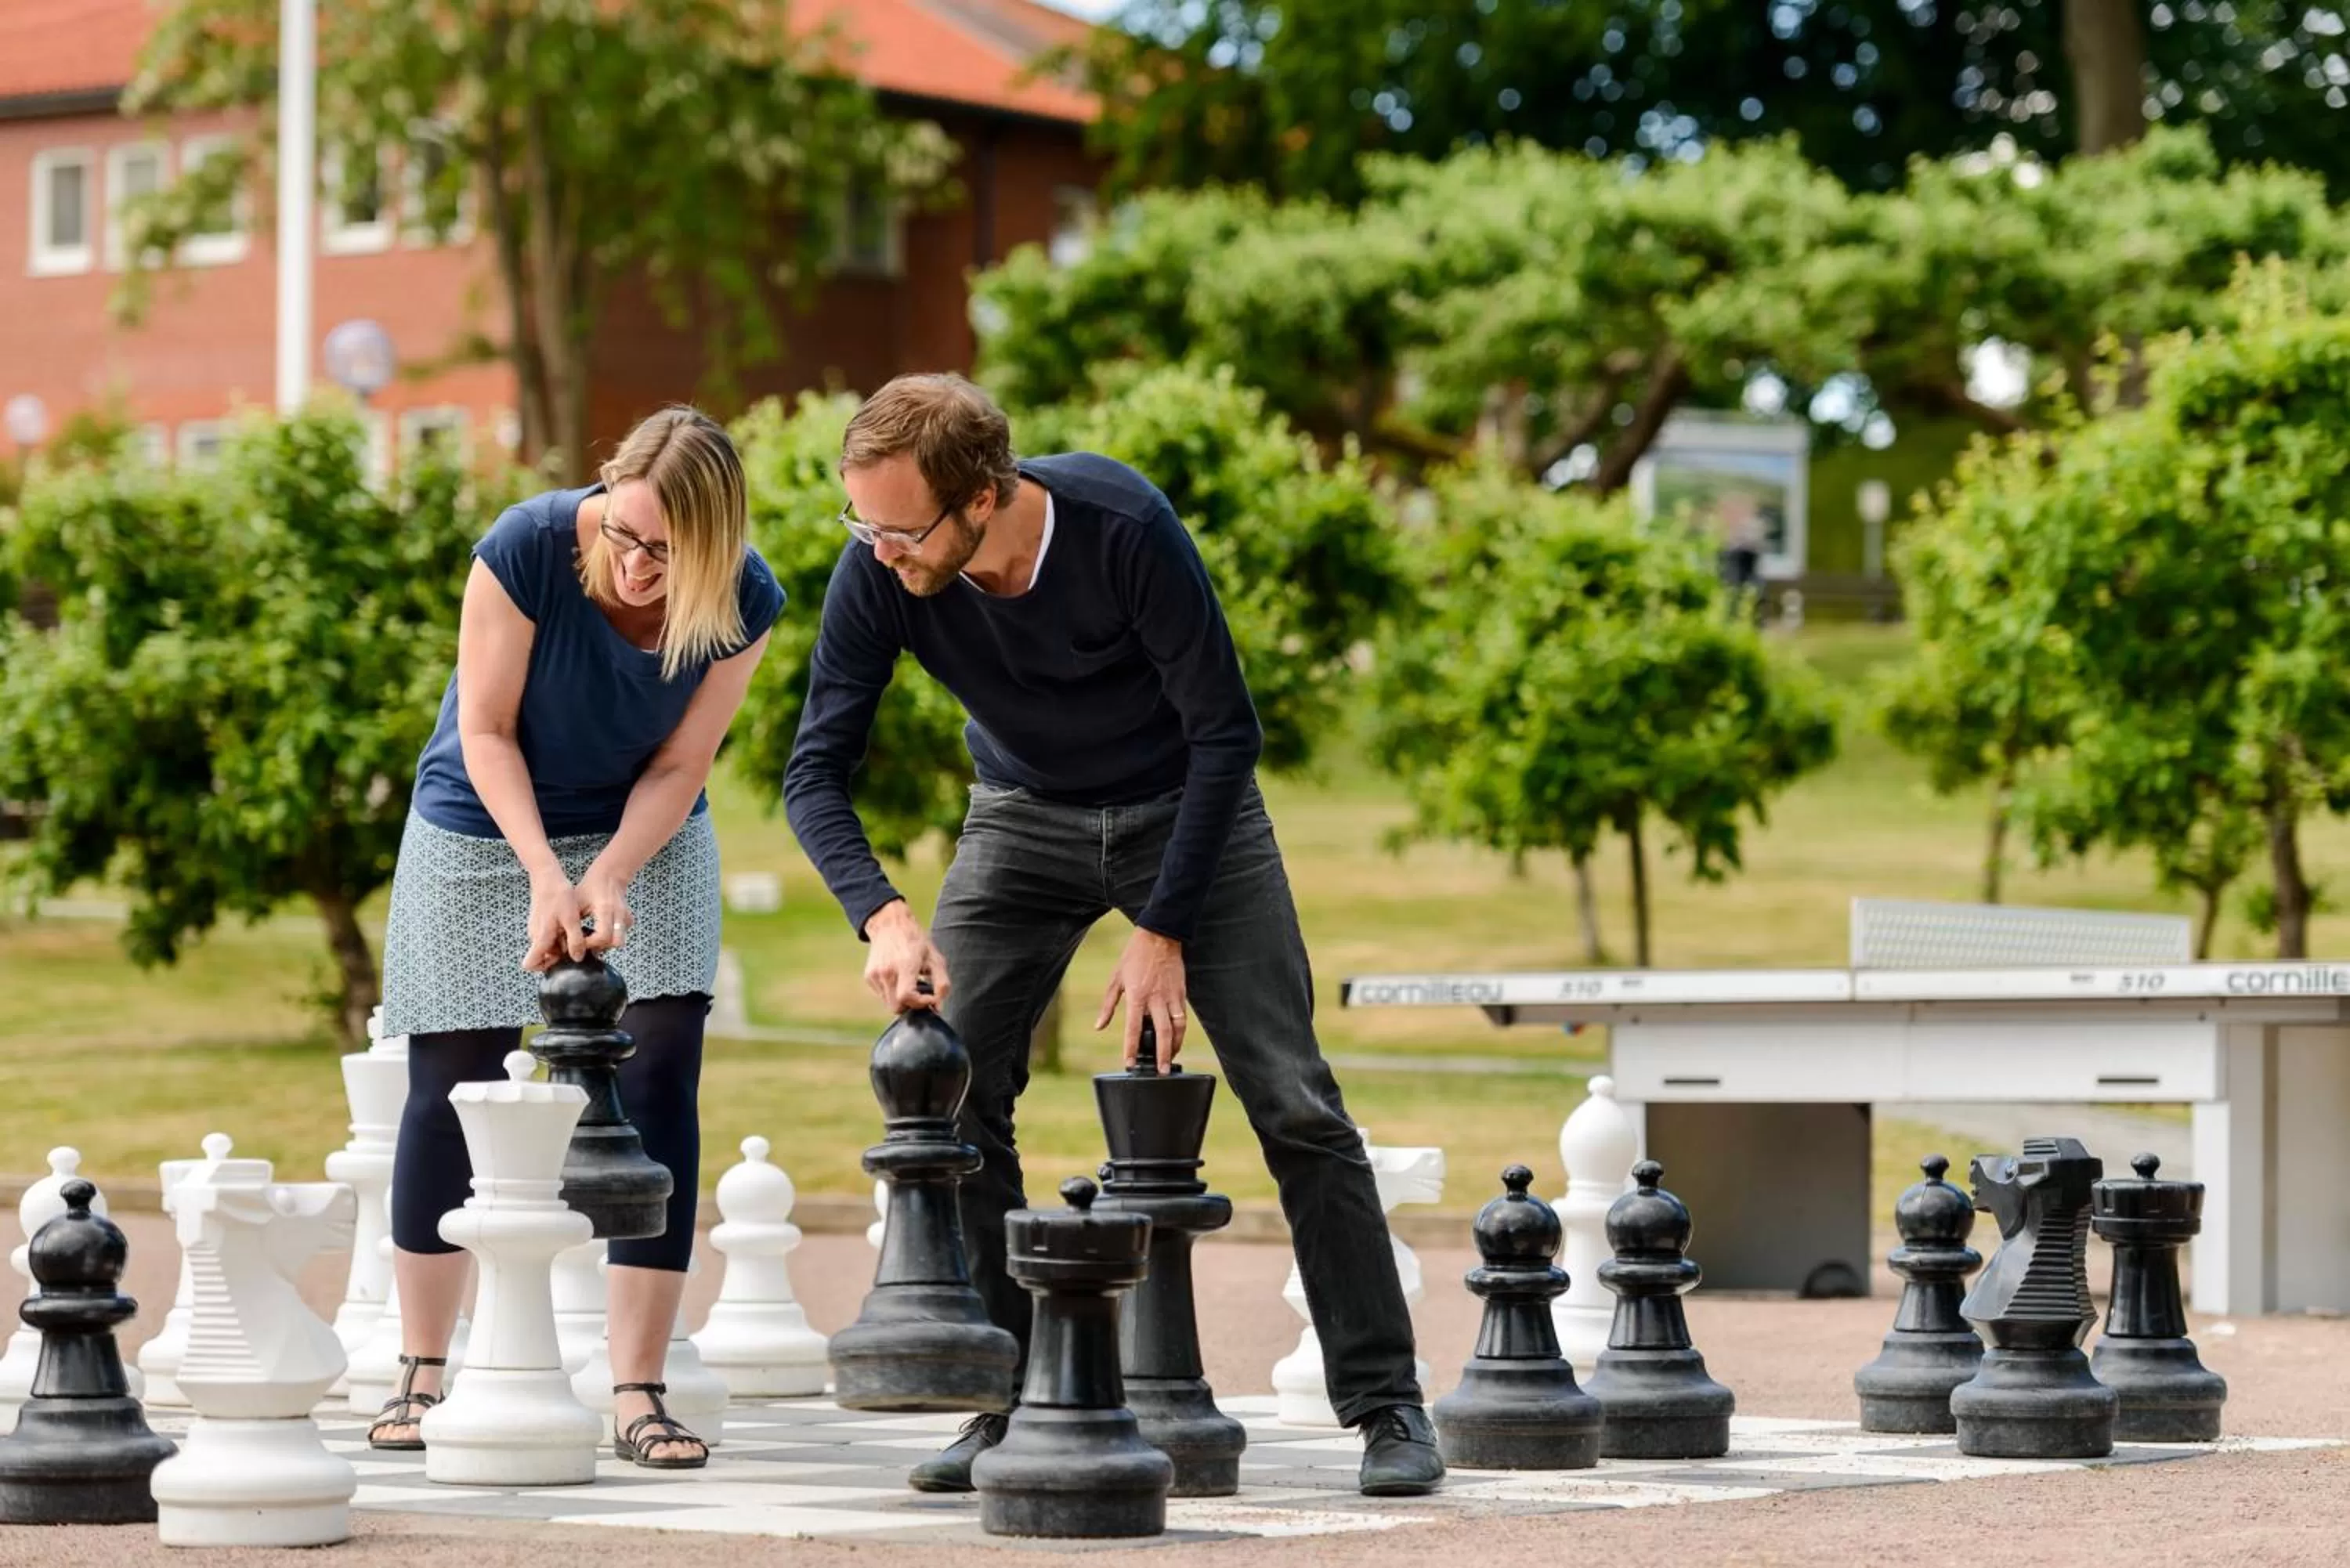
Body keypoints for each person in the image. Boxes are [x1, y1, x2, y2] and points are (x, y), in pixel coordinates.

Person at [783, 373, 1445, 1498]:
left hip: (1190, 809)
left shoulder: (1124, 529)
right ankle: (1015, 1403)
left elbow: (1228, 732)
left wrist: (1164, 925)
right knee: (952, 1089)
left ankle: (1387, 1404)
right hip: (1020, 815)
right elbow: (814, 772)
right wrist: (883, 911)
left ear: (984, 496)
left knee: (1292, 1098)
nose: (881, 548)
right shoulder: (880, 572)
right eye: (866, 522)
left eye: (902, 526)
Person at [371, 406, 782, 1469]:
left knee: (659, 1074)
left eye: (669, 551)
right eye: (627, 537)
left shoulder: (745, 598)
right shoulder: (525, 548)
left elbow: (684, 762)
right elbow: (486, 726)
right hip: (482, 815)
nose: (640, 566)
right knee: (453, 1079)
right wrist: (547, 873)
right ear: (604, 498)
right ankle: (421, 1368)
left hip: (646, 824)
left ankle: (638, 1385)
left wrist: (607, 873)